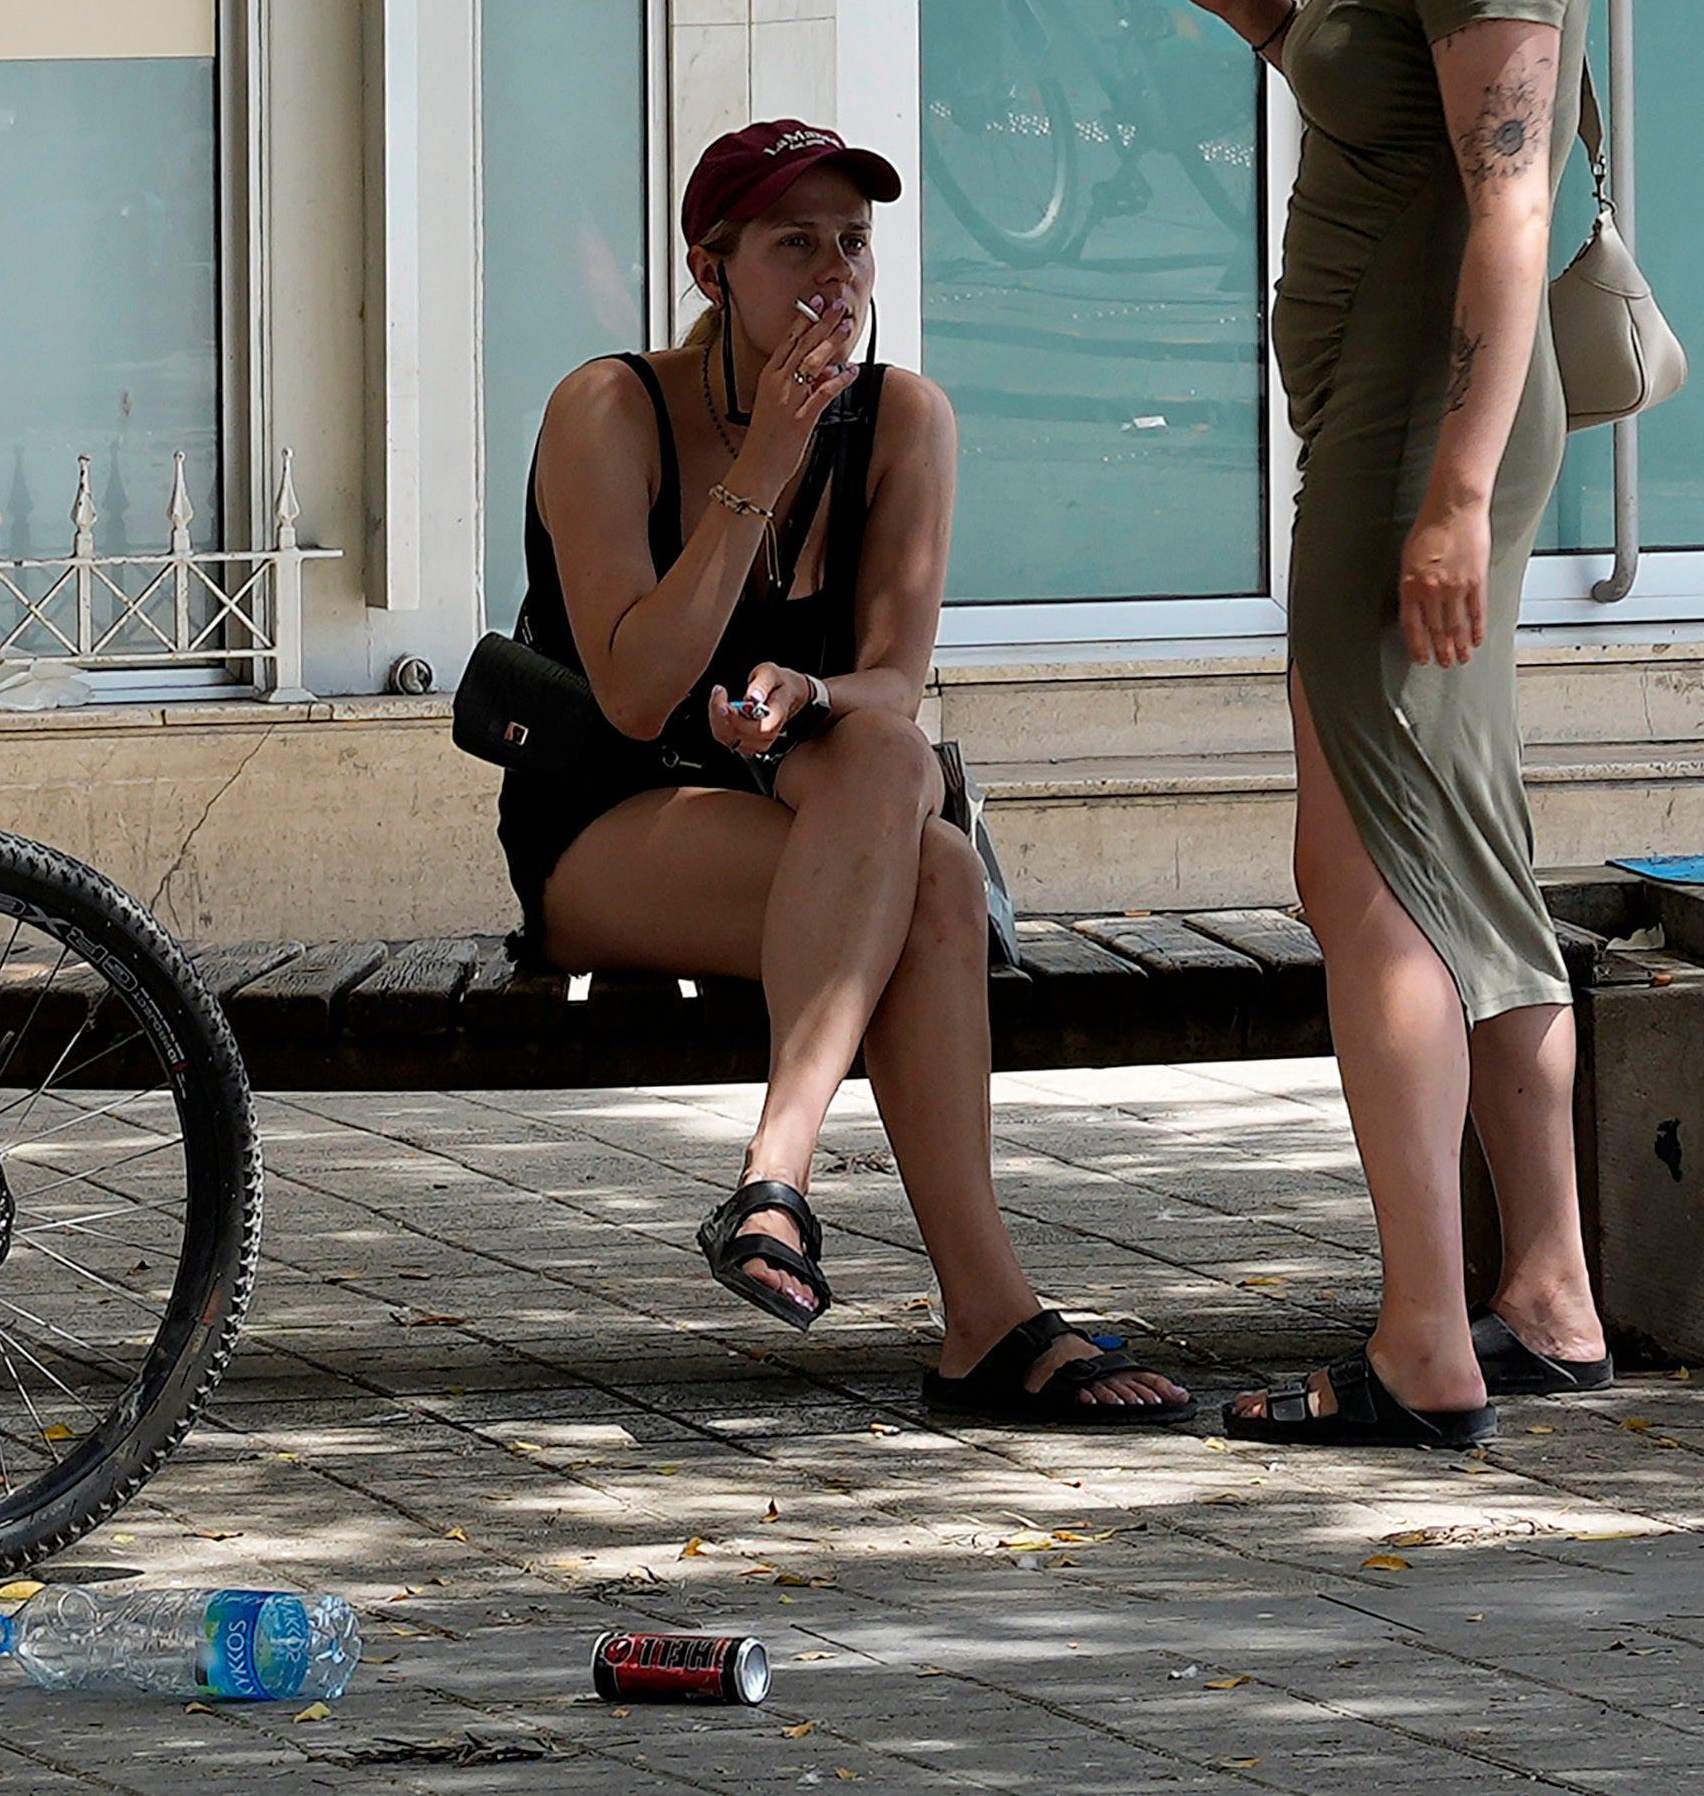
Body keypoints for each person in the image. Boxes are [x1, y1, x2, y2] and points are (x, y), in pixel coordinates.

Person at [505, 116, 1193, 1426]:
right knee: (924, 866)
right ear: (712, 271)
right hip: (613, 819)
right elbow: (640, 688)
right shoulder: (610, 410)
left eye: (854, 243)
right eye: (794, 245)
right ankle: (975, 1311)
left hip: (823, 812)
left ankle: (792, 1189)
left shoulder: (906, 421)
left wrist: (813, 693)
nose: (835, 275)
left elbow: (895, 677)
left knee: (901, 792)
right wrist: (763, 465)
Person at [1128, 0, 1595, 1450]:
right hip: (1397, 423)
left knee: (1376, 878)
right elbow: (1394, 115)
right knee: (1449, 851)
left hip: (1422, 429)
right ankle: (1543, 1294)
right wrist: (1254, 1)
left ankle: (1428, 1339)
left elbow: (1507, 201)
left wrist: (1456, 494)